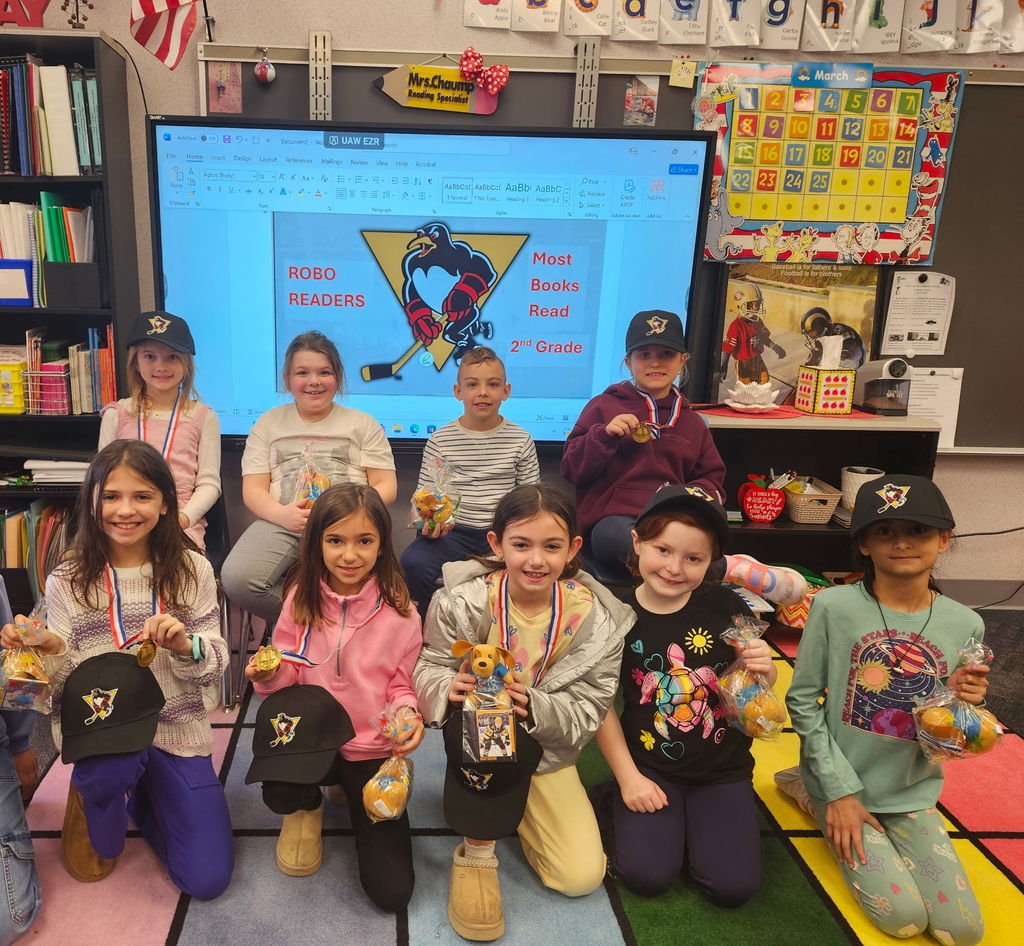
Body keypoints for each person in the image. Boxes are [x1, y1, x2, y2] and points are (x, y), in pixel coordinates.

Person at [0, 440, 233, 898]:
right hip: (100, 729)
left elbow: (216, 665)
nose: (125, 510)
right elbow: (55, 688)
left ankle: (144, 794)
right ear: (91, 501)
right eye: (111, 496)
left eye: (142, 496)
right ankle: (98, 785)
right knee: (103, 847)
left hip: (175, 727)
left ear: (167, 502)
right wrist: (47, 646)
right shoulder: (67, 578)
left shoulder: (194, 570)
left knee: (206, 880)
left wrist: (187, 646)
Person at [413, 483, 635, 942]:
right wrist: (444, 687)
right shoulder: (461, 601)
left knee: (580, 878)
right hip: (480, 745)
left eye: (552, 546)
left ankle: (518, 809)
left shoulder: (599, 620)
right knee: (485, 744)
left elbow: (592, 707)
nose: (536, 560)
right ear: (496, 544)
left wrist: (534, 706)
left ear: (573, 548)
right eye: (521, 544)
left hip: (549, 753)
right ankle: (477, 848)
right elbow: (429, 663)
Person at [787, 474, 987, 945]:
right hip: (841, 782)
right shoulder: (833, 607)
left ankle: (808, 784)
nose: (901, 542)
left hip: (910, 790)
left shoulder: (967, 622)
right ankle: (807, 787)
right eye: (884, 531)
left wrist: (964, 703)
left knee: (962, 930)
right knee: (901, 919)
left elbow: (950, 732)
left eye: (917, 530)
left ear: (944, 540)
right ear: (863, 545)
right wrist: (835, 794)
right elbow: (802, 701)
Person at [244, 483, 423, 913]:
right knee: (279, 776)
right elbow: (287, 675)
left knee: (392, 892)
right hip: (311, 741)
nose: (349, 555)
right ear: (317, 544)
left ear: (382, 545)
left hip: (369, 747)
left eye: (364, 541)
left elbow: (401, 686)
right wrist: (267, 674)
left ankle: (343, 788)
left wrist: (408, 716)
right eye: (335, 540)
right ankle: (305, 807)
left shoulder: (402, 613)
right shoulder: (298, 600)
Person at [593, 485, 774, 905]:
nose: (675, 568)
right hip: (651, 768)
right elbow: (600, 705)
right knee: (646, 876)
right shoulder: (615, 613)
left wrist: (766, 670)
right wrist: (628, 778)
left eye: (694, 558)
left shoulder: (725, 603)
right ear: (636, 542)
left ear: (711, 561)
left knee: (732, 889)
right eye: (663, 549)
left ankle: (697, 824)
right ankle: (611, 798)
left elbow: (755, 693)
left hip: (723, 769)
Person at [561, 309, 806, 605]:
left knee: (681, 540)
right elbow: (572, 470)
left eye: (666, 353)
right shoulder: (602, 407)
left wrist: (683, 496)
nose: (655, 362)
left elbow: (712, 478)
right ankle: (729, 569)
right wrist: (603, 435)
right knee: (613, 538)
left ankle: (706, 566)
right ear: (628, 362)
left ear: (682, 360)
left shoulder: (691, 422)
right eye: (644, 354)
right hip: (615, 523)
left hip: (671, 523)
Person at [221, 331, 397, 629]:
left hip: (349, 527)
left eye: (324, 372)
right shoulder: (268, 424)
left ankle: (346, 627)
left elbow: (387, 486)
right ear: (288, 380)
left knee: (383, 591)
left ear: (338, 377)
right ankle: (318, 622)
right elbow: (253, 490)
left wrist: (351, 516)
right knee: (239, 579)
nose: (313, 381)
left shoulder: (362, 424)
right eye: (302, 372)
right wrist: (283, 515)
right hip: (285, 521)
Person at [400, 346, 539, 618]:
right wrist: (425, 519)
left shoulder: (521, 439)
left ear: (506, 391)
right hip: (454, 532)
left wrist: (521, 536)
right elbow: (423, 494)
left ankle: (507, 624)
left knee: (533, 567)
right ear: (458, 392)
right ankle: (434, 621)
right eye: (472, 384)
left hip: (503, 534)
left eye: (493, 384)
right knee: (412, 562)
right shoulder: (440, 440)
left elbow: (532, 499)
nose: (483, 392)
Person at [99, 311, 220, 549]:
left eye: (172, 357)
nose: (161, 366)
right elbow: (100, 480)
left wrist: (185, 517)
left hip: (179, 519)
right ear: (136, 362)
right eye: (150, 356)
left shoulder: (203, 417)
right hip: (125, 516)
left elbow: (209, 483)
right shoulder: (117, 414)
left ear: (185, 363)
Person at [719, 282, 787, 386]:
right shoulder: (736, 326)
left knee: (764, 381)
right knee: (745, 388)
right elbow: (728, 348)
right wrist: (723, 366)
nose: (756, 308)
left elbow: (764, 339)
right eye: (752, 304)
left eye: (758, 304)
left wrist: (776, 348)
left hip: (757, 358)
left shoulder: (757, 321)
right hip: (743, 362)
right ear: (740, 304)